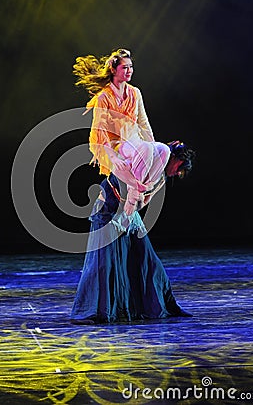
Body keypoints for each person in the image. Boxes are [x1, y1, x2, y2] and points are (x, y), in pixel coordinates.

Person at [70, 142, 195, 324]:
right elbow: (132, 187)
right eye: (179, 168)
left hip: (128, 212)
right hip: (110, 206)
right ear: (176, 158)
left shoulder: (161, 177)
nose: (177, 173)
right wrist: (125, 214)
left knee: (148, 260)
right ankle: (88, 312)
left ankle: (164, 306)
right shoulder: (153, 156)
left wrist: (130, 214)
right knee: (103, 263)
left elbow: (144, 199)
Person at [73, 48, 170, 216]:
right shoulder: (105, 97)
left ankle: (141, 189)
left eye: (130, 67)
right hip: (117, 146)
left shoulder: (135, 93)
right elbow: (100, 130)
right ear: (113, 69)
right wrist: (112, 157)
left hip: (135, 142)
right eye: (125, 67)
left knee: (164, 150)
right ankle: (133, 194)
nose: (129, 71)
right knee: (145, 150)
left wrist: (153, 144)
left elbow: (143, 122)